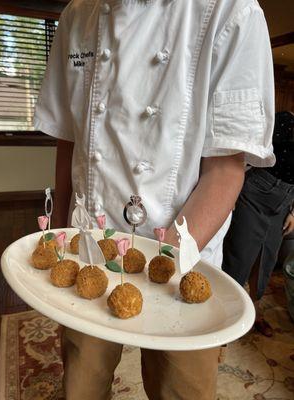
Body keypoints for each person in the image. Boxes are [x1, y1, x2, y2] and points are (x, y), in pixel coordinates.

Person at [34, 0, 275, 398]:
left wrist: (161, 269)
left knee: (181, 389)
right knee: (81, 383)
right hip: (87, 247)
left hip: (182, 259)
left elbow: (226, 169)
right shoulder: (78, 15)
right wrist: (59, 237)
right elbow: (69, 140)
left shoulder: (232, 11)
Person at [222, 111, 294, 337]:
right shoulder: (284, 121)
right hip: (255, 193)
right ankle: (225, 314)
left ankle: (255, 310)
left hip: (284, 201)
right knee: (239, 255)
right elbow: (246, 153)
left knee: (267, 259)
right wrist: (229, 193)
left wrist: (293, 210)